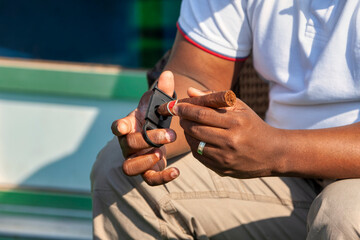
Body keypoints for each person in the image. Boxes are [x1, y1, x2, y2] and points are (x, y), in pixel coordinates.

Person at [91, 0, 360, 239]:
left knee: (342, 212)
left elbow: (276, 151)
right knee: (120, 171)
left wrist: (277, 150)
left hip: (333, 176)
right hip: (290, 175)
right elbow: (198, 76)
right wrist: (154, 129)